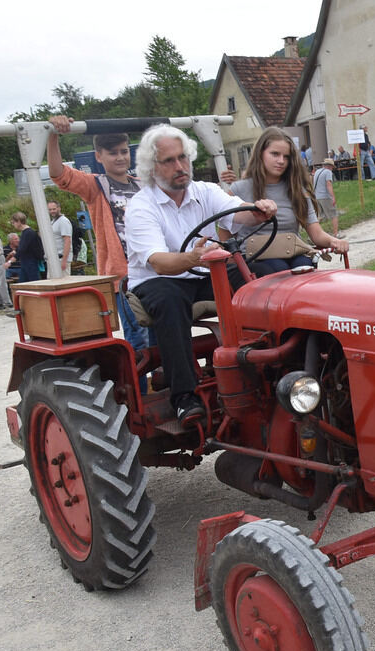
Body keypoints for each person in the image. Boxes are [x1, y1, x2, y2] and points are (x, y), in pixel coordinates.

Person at [125, 124, 276, 426]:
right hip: (160, 281)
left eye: (183, 158)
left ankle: (271, 370)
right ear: (152, 168)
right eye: (169, 161)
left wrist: (259, 209)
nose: (180, 167)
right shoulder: (141, 206)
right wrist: (193, 257)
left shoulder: (205, 191)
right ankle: (184, 397)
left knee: (261, 279)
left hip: (204, 273)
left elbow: (239, 212)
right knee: (169, 300)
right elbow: (159, 263)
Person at [46, 115, 149, 357]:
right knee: (140, 341)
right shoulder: (96, 186)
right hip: (124, 277)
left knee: (164, 336)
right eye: (113, 153)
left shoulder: (143, 185)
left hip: (152, 270)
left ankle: (166, 385)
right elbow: (58, 173)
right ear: (98, 156)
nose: (121, 157)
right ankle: (141, 391)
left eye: (124, 151)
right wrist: (54, 135)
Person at [227, 126, 348, 275]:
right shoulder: (239, 189)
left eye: (286, 156)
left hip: (291, 251)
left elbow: (316, 233)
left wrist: (334, 241)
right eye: (275, 154)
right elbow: (225, 235)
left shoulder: (297, 190)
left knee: (305, 265)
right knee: (278, 268)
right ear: (260, 154)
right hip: (255, 258)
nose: (281, 161)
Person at [9, 212, 43, 282]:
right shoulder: (25, 233)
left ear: (18, 221)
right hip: (25, 263)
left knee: (34, 284)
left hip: (31, 263)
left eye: (13, 223)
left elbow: (22, 249)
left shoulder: (28, 233)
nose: (13, 225)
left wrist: (10, 261)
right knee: (23, 285)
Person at [312, 158, 342, 238]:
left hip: (316, 196)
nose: (332, 169)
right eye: (332, 167)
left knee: (320, 217)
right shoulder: (328, 172)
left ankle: (313, 235)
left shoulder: (317, 172)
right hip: (325, 196)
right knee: (334, 215)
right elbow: (329, 184)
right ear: (329, 166)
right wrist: (333, 197)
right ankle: (336, 234)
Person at [47, 200, 73, 274]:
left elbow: (67, 241)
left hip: (61, 259)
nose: (52, 211)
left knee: (63, 282)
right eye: (50, 209)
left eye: (54, 209)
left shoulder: (63, 221)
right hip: (53, 259)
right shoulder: (53, 222)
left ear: (59, 208)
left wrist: (64, 261)